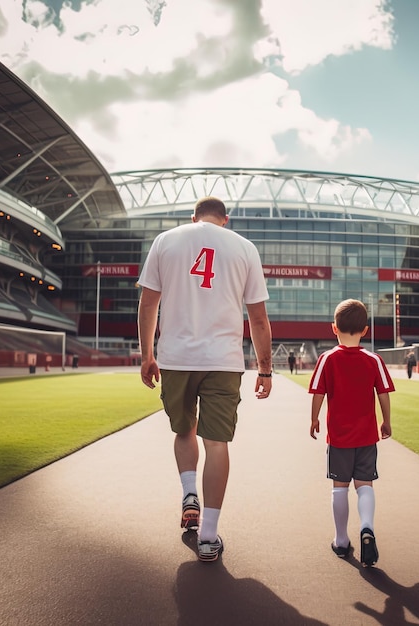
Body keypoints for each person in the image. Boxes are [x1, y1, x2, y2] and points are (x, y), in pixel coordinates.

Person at [137, 196, 272, 563]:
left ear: (193, 217)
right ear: (225, 220)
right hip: (223, 361)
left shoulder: (166, 240)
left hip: (176, 358)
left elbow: (149, 303)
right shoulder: (245, 248)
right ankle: (209, 537)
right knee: (216, 443)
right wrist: (265, 368)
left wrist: (148, 355)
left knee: (184, 431)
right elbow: (258, 319)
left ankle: (188, 493)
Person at [309, 299, 395, 567]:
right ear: (365, 330)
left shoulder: (327, 359)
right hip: (367, 436)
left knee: (339, 489)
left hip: (339, 438)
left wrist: (313, 419)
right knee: (365, 485)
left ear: (333, 328)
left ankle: (341, 540)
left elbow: (318, 393)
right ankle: (367, 526)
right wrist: (386, 422)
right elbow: (383, 393)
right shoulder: (373, 359)